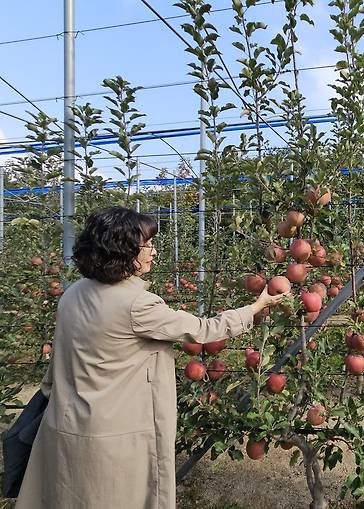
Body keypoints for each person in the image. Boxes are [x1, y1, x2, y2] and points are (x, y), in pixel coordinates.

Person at [15, 207, 288, 509]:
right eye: (147, 245)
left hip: (64, 427)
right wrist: (255, 307)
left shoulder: (72, 294)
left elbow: (57, 367)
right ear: (122, 249)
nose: (154, 252)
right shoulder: (137, 305)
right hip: (113, 441)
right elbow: (203, 329)